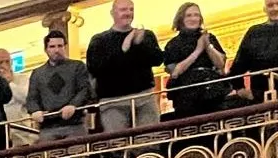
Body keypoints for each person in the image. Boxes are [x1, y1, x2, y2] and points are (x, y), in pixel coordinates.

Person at [86, 0, 163, 133]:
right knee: (117, 142)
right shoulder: (99, 40)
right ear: (112, 13)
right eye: (123, 10)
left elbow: (157, 60)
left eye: (131, 9)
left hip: (145, 97)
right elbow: (95, 68)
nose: (128, 13)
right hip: (113, 100)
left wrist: (140, 45)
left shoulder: (146, 35)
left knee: (149, 139)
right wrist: (123, 48)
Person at [26, 31, 96, 141]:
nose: (57, 50)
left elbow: (85, 89)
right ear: (46, 49)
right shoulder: (37, 73)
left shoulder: (77, 66)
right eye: (52, 46)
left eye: (60, 46)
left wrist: (73, 105)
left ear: (65, 47)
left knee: (76, 152)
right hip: (48, 127)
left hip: (75, 124)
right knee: (50, 152)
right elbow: (32, 98)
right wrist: (34, 110)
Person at [164, 4, 229, 117]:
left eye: (196, 15)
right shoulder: (173, 44)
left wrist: (207, 46)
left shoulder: (210, 37)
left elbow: (220, 64)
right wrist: (198, 50)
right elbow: (175, 72)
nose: (193, 18)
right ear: (181, 19)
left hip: (213, 90)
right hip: (186, 93)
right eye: (189, 15)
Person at [229, 0, 278, 96]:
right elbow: (238, 66)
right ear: (265, 9)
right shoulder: (254, 32)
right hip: (262, 94)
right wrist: (240, 89)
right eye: (270, 5)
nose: (275, 8)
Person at [0, 47, 33, 144]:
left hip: (22, 131)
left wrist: (9, 83)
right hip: (1, 133)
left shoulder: (23, 79)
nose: (4, 65)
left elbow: (27, 99)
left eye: (7, 61)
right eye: (0, 62)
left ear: (11, 62)